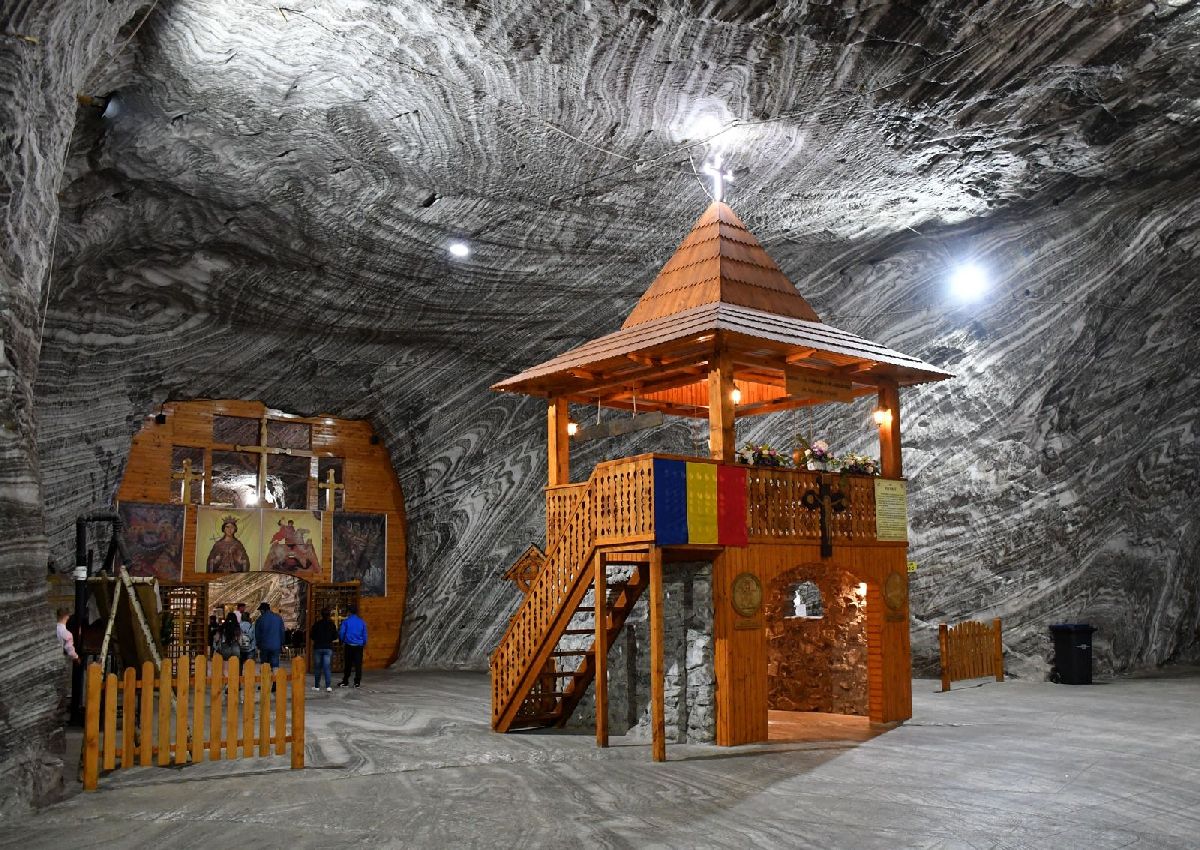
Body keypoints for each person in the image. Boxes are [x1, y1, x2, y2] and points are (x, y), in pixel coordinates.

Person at [337, 604, 367, 688]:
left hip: (349, 645)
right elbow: (365, 634)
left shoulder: (346, 621)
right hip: (359, 645)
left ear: (349, 612)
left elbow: (342, 632)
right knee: (358, 664)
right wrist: (364, 642)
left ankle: (345, 681)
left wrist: (342, 640)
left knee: (348, 664)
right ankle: (357, 682)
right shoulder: (361, 622)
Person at [310, 608, 337, 692]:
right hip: (328, 647)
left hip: (318, 647)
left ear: (321, 614)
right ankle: (328, 686)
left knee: (317, 667)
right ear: (329, 615)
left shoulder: (317, 624)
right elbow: (335, 636)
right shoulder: (332, 624)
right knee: (327, 667)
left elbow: (312, 635)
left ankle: (317, 686)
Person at [254, 602, 285, 669]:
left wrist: (258, 645)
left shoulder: (260, 619)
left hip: (264, 646)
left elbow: (257, 634)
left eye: (260, 611)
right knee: (275, 665)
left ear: (262, 610)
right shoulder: (278, 618)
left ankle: (266, 675)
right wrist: (282, 643)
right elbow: (282, 632)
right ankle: (275, 675)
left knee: (265, 665)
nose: (260, 612)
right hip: (276, 645)